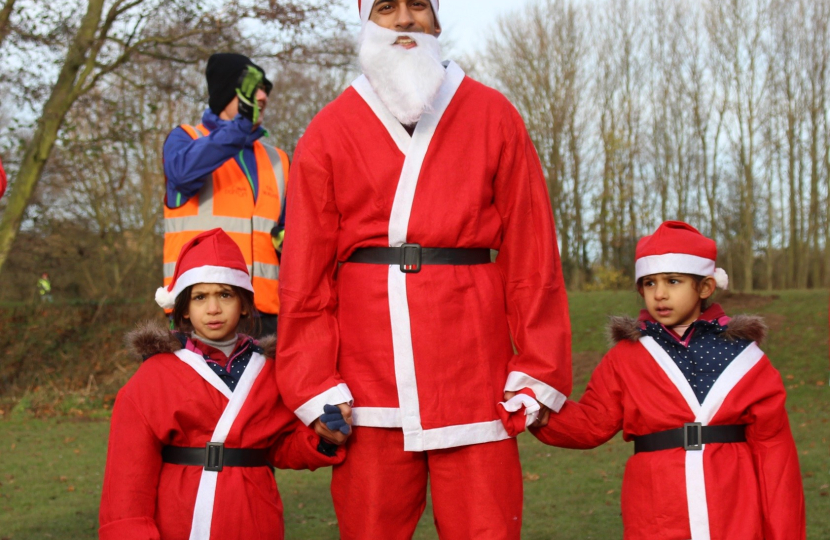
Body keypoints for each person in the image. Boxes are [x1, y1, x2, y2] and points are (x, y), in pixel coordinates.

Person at [276, 1, 572, 538]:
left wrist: (537, 369)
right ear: (368, 22)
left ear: (436, 21)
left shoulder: (493, 115)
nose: (405, 19)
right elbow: (305, 278)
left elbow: (533, 258)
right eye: (387, 8)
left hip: (474, 375)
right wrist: (314, 381)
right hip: (368, 383)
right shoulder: (328, 129)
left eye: (418, 6)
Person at [532, 221, 805, 540]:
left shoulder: (746, 359)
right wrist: (538, 411)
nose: (659, 294)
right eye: (649, 283)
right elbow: (593, 422)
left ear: (704, 287)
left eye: (673, 281)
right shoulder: (627, 357)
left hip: (734, 502)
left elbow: (775, 452)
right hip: (657, 506)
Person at [99, 228, 347, 540]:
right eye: (200, 297)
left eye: (225, 295)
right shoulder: (155, 375)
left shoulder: (270, 370)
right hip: (180, 517)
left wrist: (322, 437)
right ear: (185, 309)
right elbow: (127, 475)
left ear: (244, 304)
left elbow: (281, 446)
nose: (213, 309)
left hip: (254, 516)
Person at [162, 53, 289, 337]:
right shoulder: (185, 139)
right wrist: (240, 127)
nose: (262, 96)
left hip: (266, 315)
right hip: (201, 312)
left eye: (265, 89)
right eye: (252, 89)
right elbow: (183, 174)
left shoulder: (279, 159)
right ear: (226, 95)